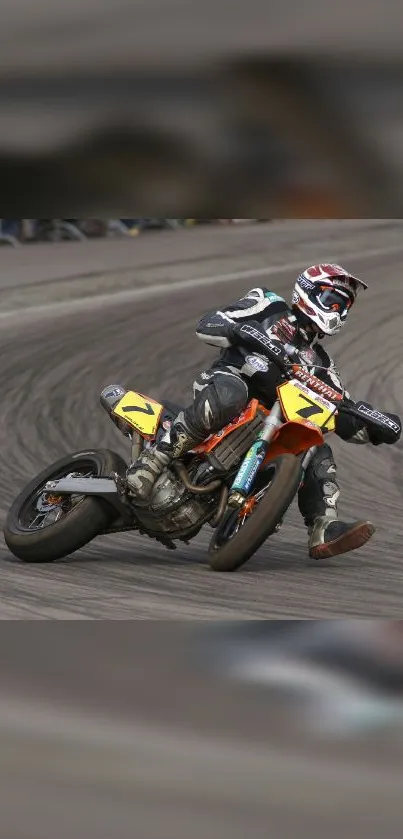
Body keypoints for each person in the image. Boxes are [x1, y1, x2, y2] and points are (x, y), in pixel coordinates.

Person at [125, 264, 401, 559]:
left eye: (344, 305)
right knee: (233, 394)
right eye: (333, 300)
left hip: (269, 428)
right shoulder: (267, 304)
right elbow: (209, 324)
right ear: (308, 292)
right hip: (228, 386)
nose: (339, 310)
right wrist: (237, 329)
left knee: (317, 449)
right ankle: (154, 461)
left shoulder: (323, 366)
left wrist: (376, 425)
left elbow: (342, 417)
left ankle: (323, 527)